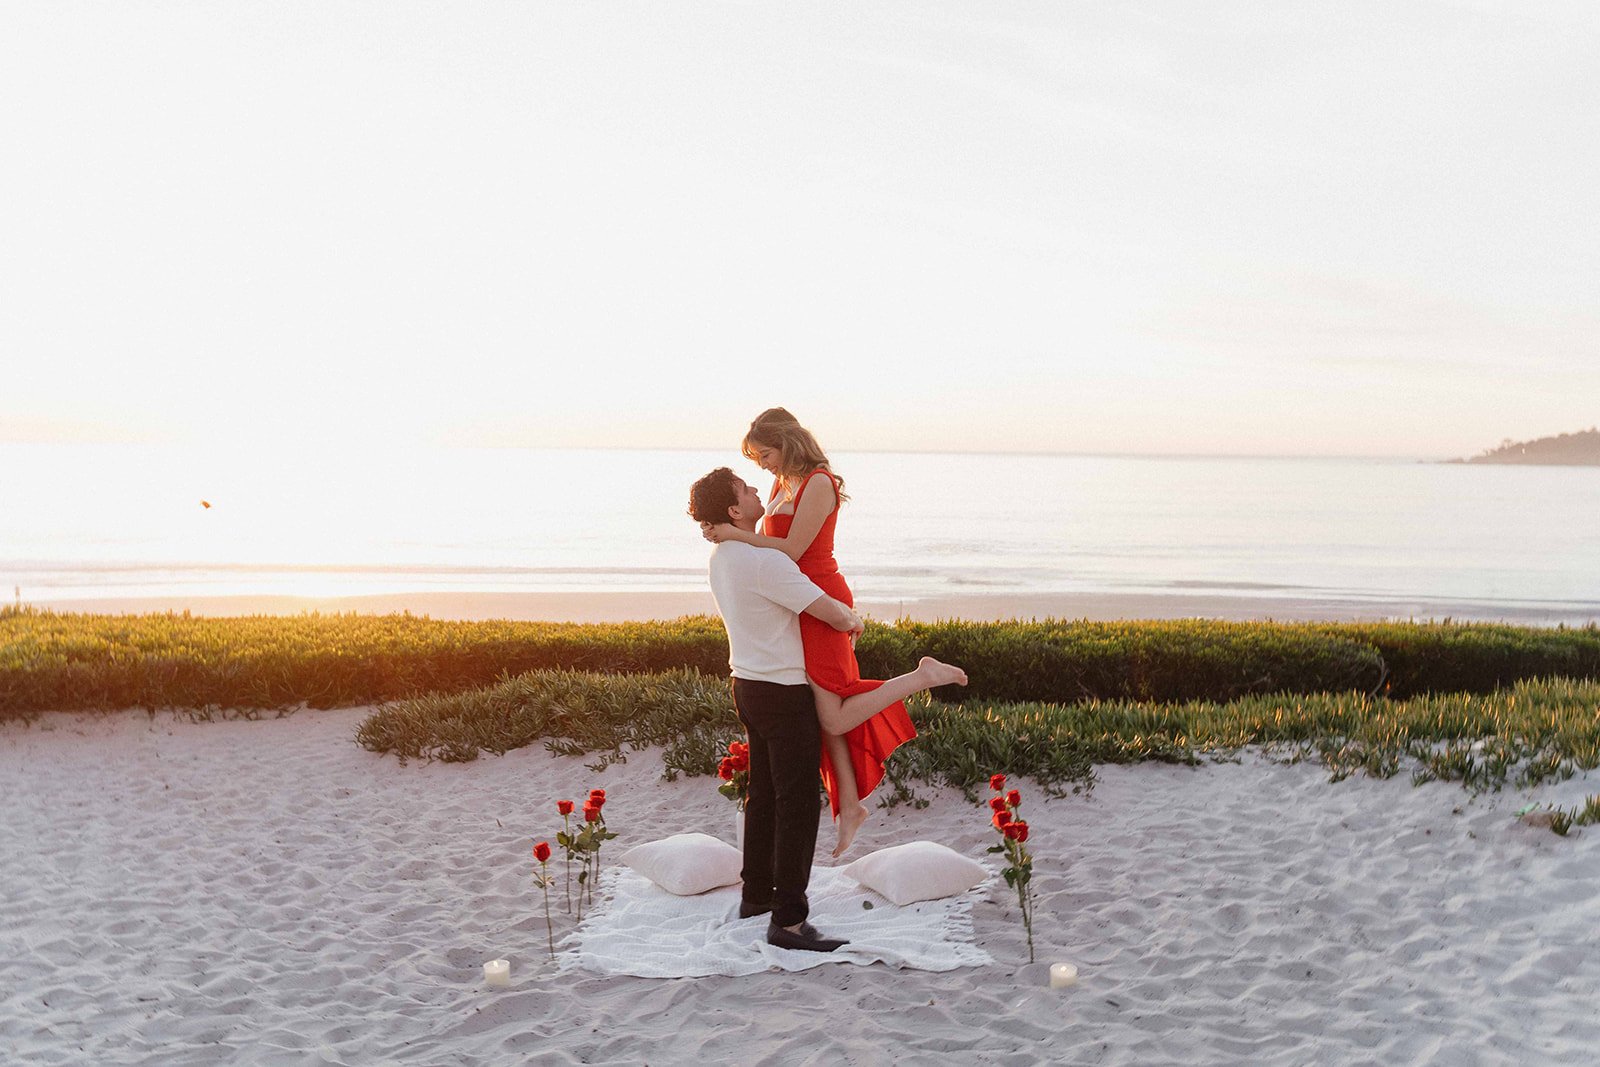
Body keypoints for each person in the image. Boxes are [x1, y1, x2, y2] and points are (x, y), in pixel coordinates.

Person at [704, 408, 968, 857]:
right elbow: (779, 556)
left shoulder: (819, 483)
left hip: (819, 599)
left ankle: (921, 677)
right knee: (825, 712)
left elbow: (791, 549)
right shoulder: (781, 483)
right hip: (797, 601)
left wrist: (733, 534)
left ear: (786, 442)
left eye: (764, 454)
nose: (762, 466)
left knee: (834, 716)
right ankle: (849, 807)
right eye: (757, 460)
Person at [688, 466, 857, 953]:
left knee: (762, 796)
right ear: (735, 510)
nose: (758, 489)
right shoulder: (763, 562)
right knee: (798, 804)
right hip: (783, 693)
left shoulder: (723, 556)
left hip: (747, 685)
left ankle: (756, 895)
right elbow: (827, 609)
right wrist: (853, 619)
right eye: (746, 488)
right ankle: (789, 922)